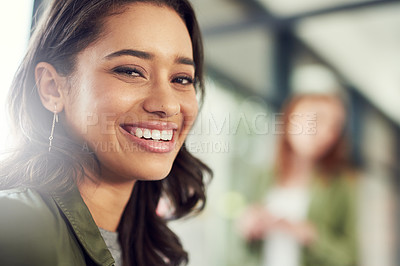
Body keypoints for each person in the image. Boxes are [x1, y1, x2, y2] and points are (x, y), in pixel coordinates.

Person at [0, 0, 211, 265]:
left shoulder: (157, 251)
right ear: (52, 88)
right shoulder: (13, 228)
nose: (168, 105)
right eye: (131, 71)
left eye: (181, 79)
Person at [238, 94, 358, 266]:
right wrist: (248, 229)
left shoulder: (340, 185)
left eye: (334, 126)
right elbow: (245, 251)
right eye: (318, 119)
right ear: (290, 119)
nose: (326, 133)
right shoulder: (262, 177)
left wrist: (308, 235)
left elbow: (351, 257)